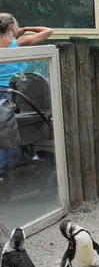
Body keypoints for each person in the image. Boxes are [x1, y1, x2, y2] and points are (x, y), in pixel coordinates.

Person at [0, 14, 53, 182]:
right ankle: (7, 173)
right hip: (10, 94)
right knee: (9, 135)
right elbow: (48, 31)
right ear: (11, 26)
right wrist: (27, 29)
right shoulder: (17, 43)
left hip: (5, 94)